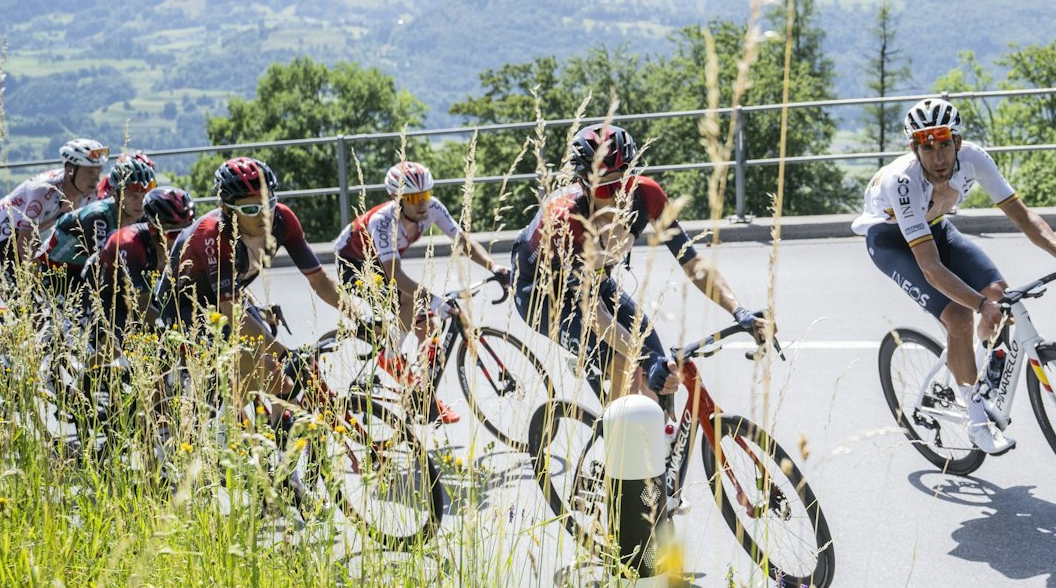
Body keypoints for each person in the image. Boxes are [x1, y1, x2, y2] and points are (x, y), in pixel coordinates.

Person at [853, 98, 1056, 454]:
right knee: (959, 316)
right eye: (927, 148)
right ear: (914, 149)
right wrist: (980, 305)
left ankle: (980, 364)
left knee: (1000, 294)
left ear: (958, 142)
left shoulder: (974, 159)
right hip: (891, 241)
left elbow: (1023, 216)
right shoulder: (902, 182)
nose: (938, 157)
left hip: (934, 226)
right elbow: (930, 268)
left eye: (944, 145)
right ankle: (978, 421)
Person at [511, 124, 767, 400]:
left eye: (622, 183)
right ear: (583, 183)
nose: (617, 196)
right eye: (606, 188)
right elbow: (594, 313)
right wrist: (644, 357)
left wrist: (737, 309)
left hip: (596, 281)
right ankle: (617, 426)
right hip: (541, 295)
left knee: (662, 376)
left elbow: (693, 263)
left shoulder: (646, 195)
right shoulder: (566, 219)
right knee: (626, 365)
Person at [154, 157, 353, 411]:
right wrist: (285, 354)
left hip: (228, 297)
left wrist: (359, 317)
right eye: (251, 209)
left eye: (268, 203)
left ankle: (276, 428)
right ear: (228, 210)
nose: (264, 214)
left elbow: (320, 279)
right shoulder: (214, 234)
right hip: (185, 308)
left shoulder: (283, 219)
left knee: (284, 380)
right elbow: (232, 314)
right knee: (273, 371)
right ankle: (226, 427)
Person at [336, 161, 510, 423]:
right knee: (411, 301)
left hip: (382, 264)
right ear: (397, 199)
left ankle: (422, 395)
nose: (422, 204)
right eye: (413, 198)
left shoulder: (433, 208)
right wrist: (434, 300)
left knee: (427, 326)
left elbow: (463, 242)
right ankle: (390, 358)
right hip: (354, 264)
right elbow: (394, 275)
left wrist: (493, 266)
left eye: (425, 195)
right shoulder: (383, 222)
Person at [0, 138, 108, 286]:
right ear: (70, 170)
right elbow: (24, 241)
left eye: (99, 171)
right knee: (21, 297)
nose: (96, 179)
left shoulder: (90, 194)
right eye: (90, 172)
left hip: (29, 233)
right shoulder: (44, 191)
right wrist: (39, 280)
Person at [37, 152, 159, 286]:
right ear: (116, 193)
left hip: (80, 272)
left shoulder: (141, 215)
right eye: (133, 196)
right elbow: (101, 267)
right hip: (54, 273)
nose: (140, 203)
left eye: (145, 196)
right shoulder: (98, 217)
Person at [92, 186, 194, 336]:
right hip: (105, 294)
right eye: (175, 234)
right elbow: (142, 306)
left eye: (189, 232)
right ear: (153, 230)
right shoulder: (131, 243)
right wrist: (177, 332)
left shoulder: (179, 244)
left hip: (139, 293)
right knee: (115, 341)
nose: (183, 239)